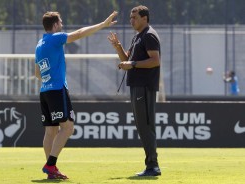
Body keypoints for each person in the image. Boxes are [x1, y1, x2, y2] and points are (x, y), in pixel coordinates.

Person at [35, 11, 118, 179]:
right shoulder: (55, 38)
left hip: (45, 90)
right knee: (68, 128)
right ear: (56, 25)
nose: (62, 25)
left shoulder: (39, 44)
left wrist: (50, 76)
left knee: (50, 131)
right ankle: (50, 165)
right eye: (61, 22)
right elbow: (79, 34)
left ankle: (51, 170)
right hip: (57, 90)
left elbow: (37, 73)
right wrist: (102, 24)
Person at [107, 5, 161, 177]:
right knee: (142, 126)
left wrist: (134, 64)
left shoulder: (149, 35)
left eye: (135, 17)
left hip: (145, 87)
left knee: (146, 126)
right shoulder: (138, 37)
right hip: (137, 86)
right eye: (130, 18)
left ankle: (152, 166)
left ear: (144, 18)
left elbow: (155, 61)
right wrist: (118, 47)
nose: (132, 21)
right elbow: (127, 60)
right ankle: (151, 165)